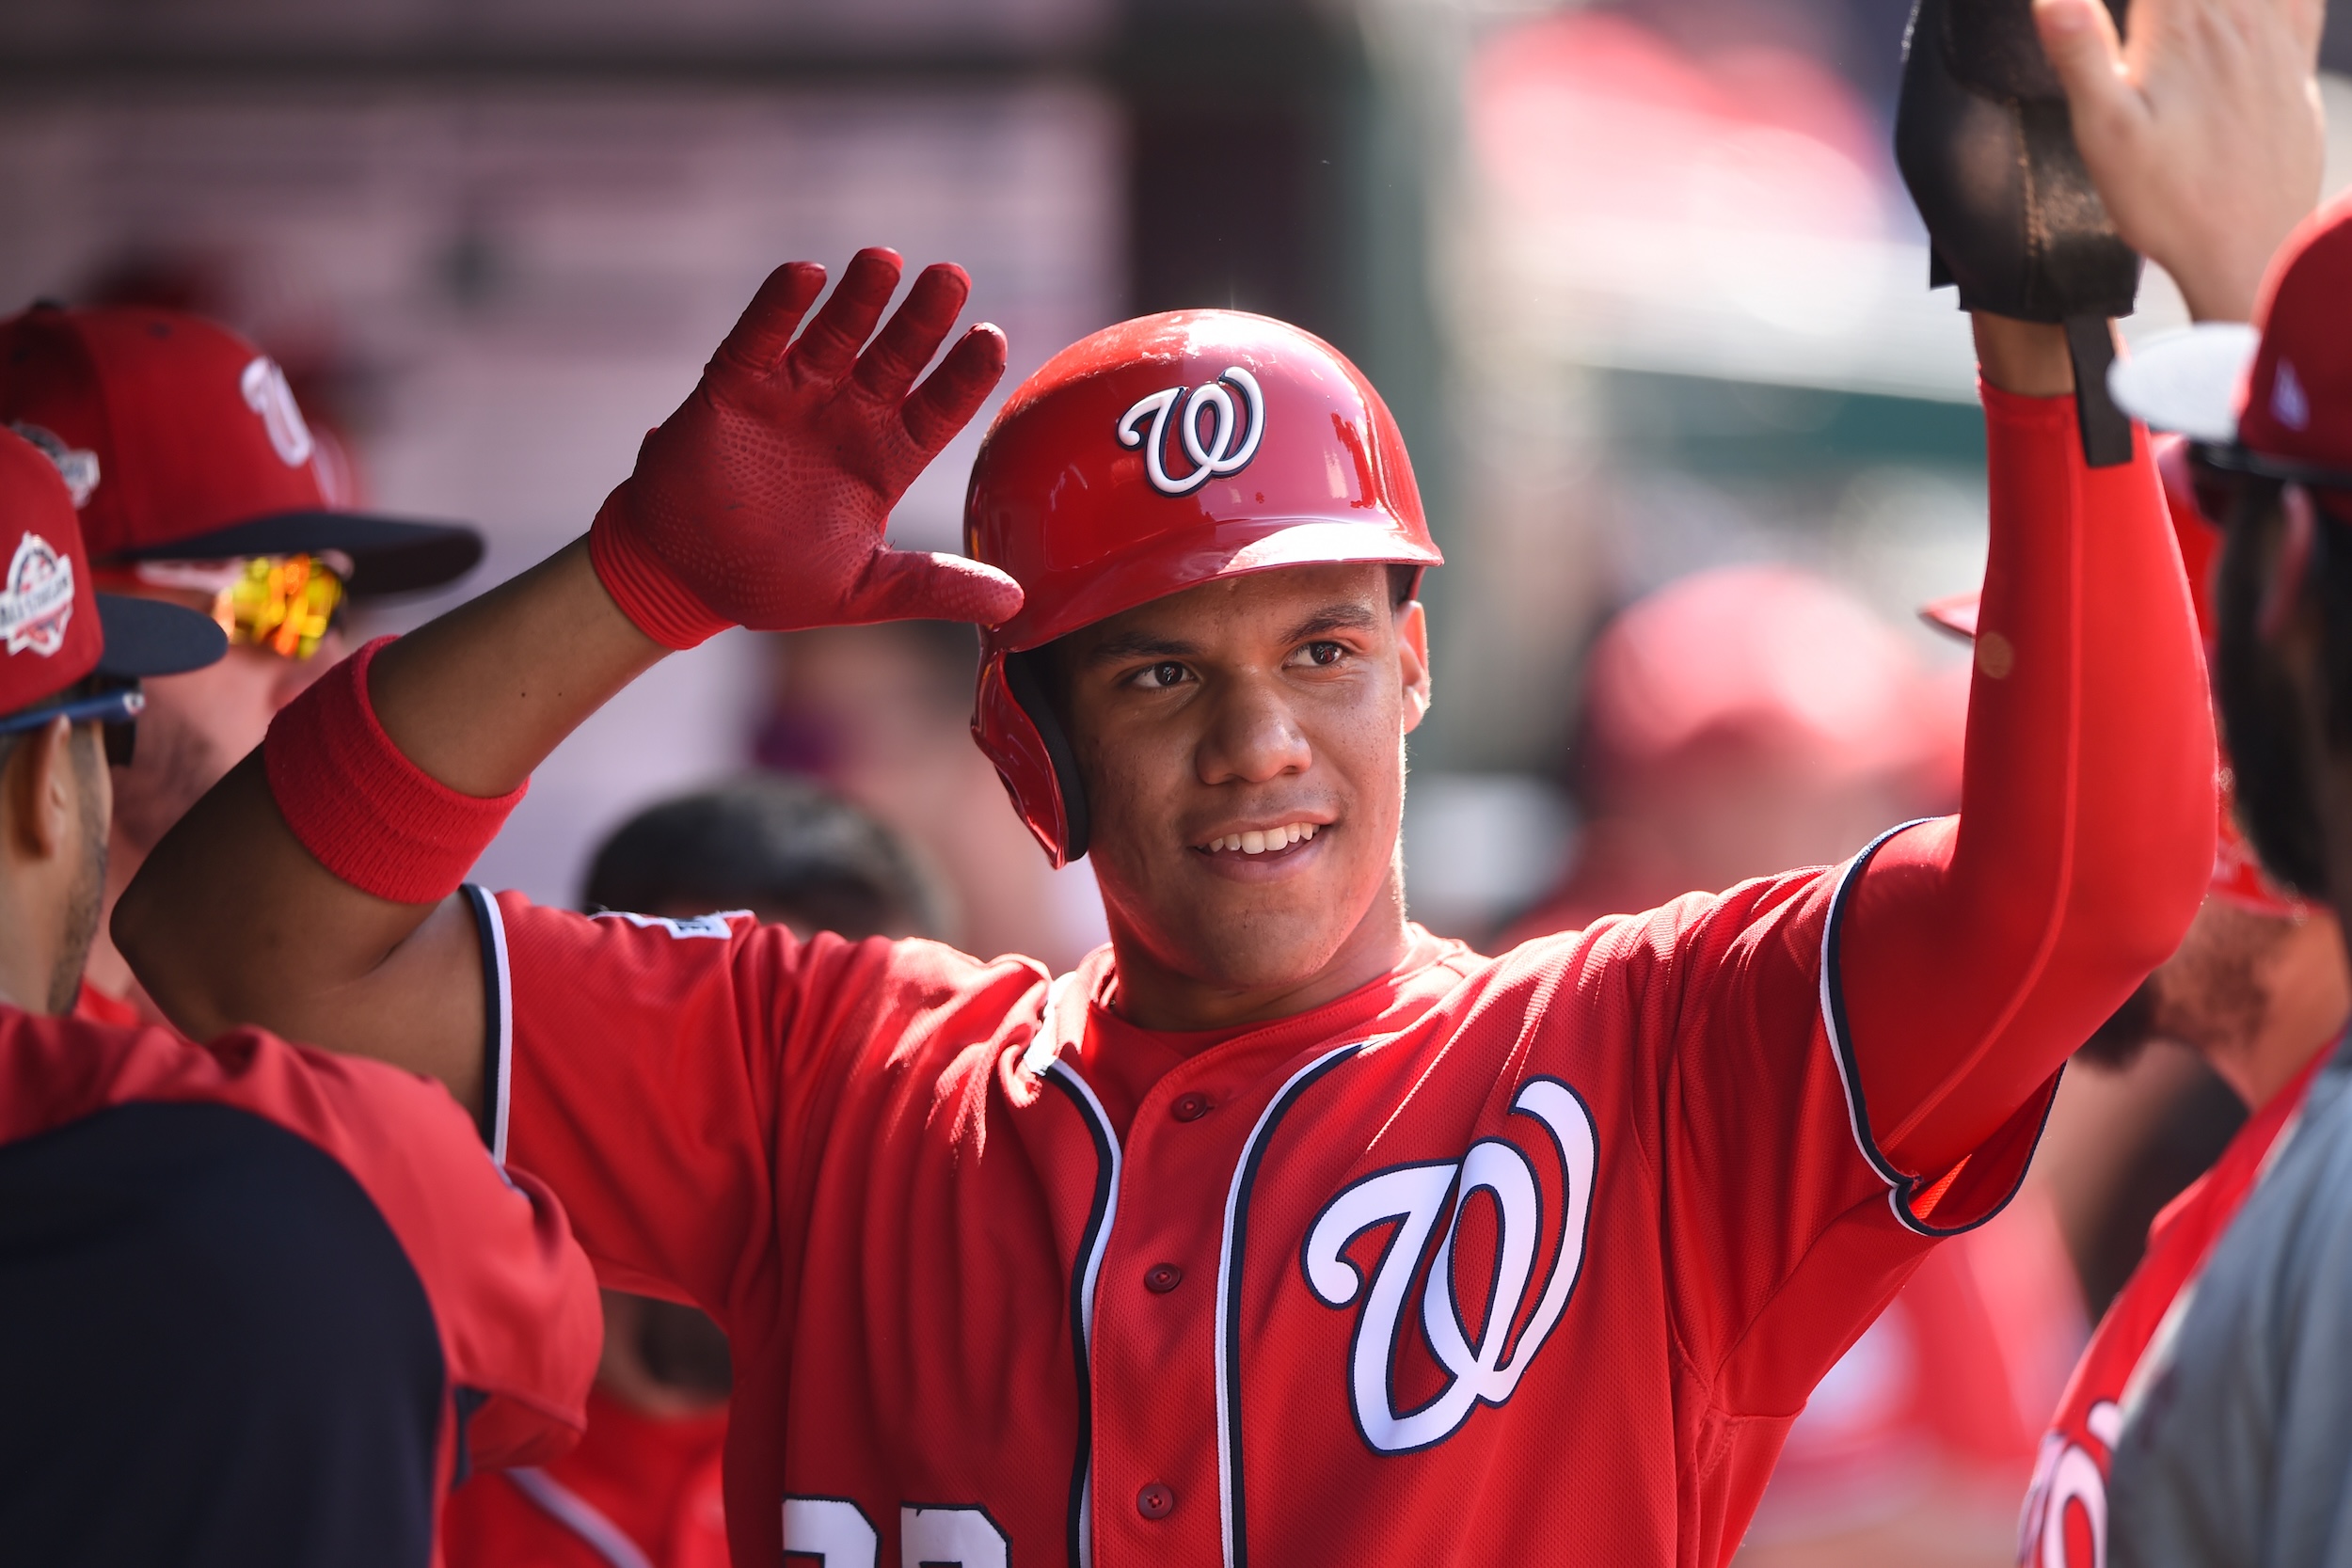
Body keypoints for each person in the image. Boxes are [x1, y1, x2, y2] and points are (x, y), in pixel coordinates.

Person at [119, 27, 2260, 1544]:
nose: (1261, 741)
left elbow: (2088, 896)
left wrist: (2038, 314)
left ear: (1414, 668)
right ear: (1020, 753)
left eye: (1324, 648)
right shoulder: (820, 1074)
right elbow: (232, 935)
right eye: (1158, 672)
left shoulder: (1645, 1058)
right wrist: (638, 582)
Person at [0, 427, 599, 1565]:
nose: (319, 656)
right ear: (49, 779)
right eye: (277, 600)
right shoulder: (334, 1152)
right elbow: (545, 1355)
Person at [444, 776, 944, 1568]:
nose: (777, 1139)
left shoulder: (972, 1461)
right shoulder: (391, 1406)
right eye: (721, 1070)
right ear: (570, 1056)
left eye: (847, 1080)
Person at [0, 300, 485, 1024]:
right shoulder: (89, 1087)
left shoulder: (208, 1053)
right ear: (47, 592)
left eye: (331, 602)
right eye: (272, 596)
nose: (330, 665)